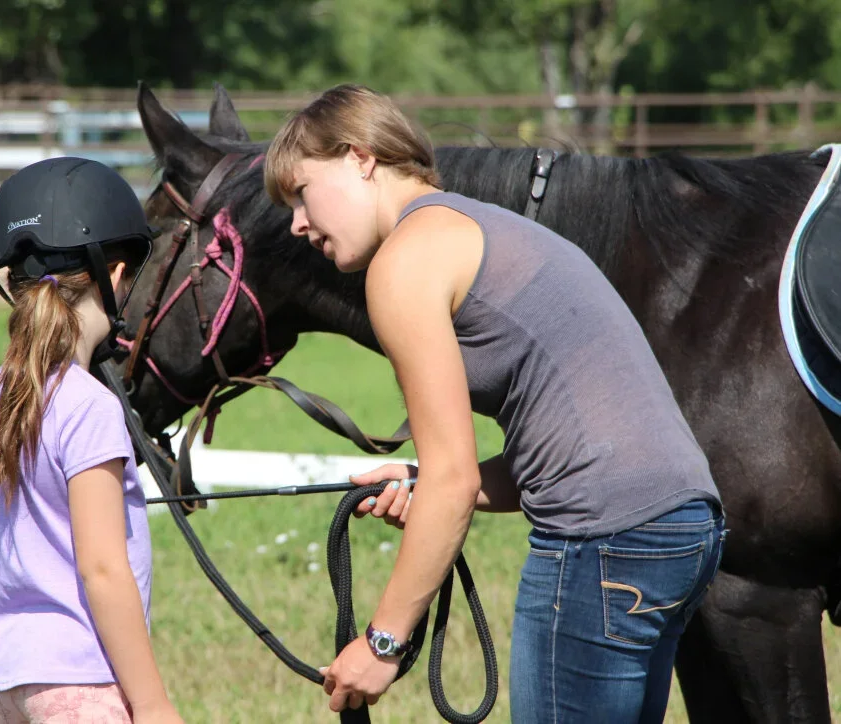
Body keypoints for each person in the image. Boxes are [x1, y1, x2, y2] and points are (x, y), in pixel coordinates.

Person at [263, 85, 727, 723]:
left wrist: (383, 642)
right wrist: (424, 480)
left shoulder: (403, 263)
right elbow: (541, 457)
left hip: (602, 543)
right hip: (680, 527)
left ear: (359, 158)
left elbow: (454, 482)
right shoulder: (478, 226)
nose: (296, 223)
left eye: (301, 193)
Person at [0, 157, 182, 724]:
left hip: (16, 678)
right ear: (115, 276)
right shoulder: (90, 406)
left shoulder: (3, 389)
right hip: (82, 680)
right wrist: (153, 704)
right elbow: (102, 568)